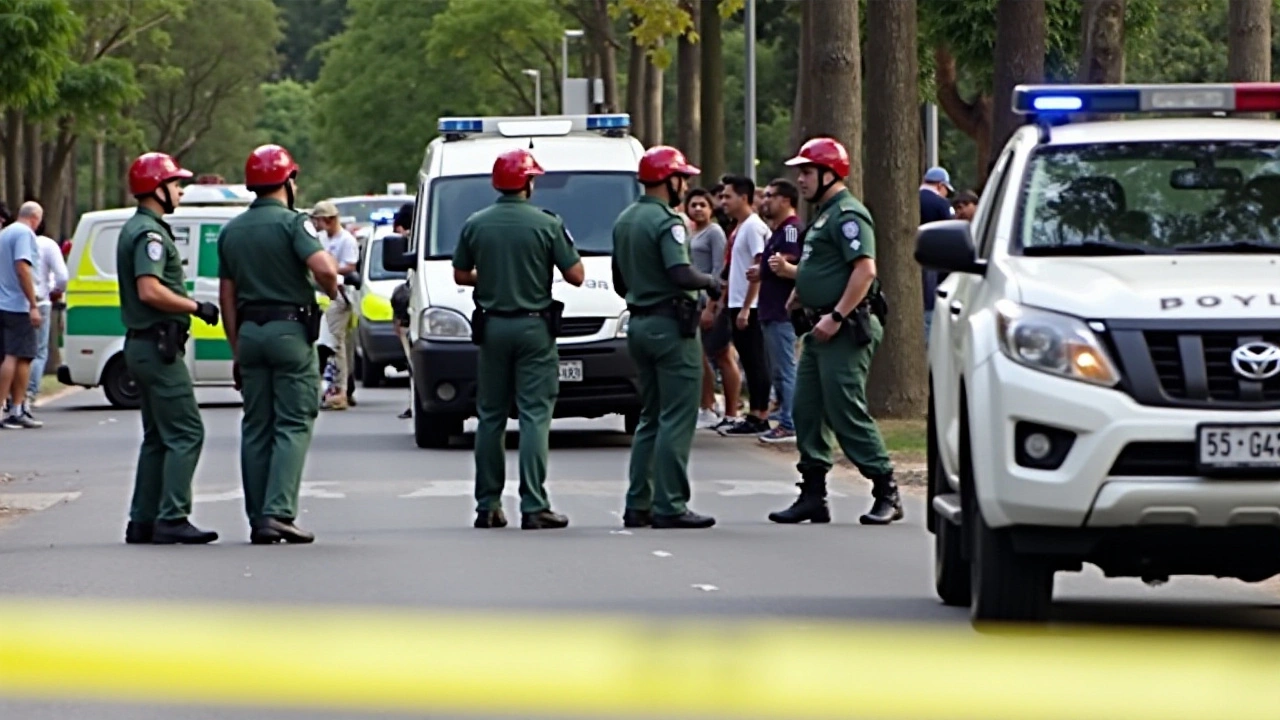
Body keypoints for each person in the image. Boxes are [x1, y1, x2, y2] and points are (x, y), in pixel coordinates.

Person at [767, 137, 901, 526]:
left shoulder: (848, 215)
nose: (801, 180)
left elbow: (865, 269)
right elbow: (822, 266)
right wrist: (800, 292)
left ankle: (886, 489)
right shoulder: (824, 214)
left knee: (845, 409)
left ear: (830, 173)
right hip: (819, 327)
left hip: (845, 327)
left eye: (807, 172)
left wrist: (837, 316)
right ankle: (813, 495)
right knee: (807, 409)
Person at [453, 148, 585, 530]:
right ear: (527, 183)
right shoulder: (546, 223)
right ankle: (534, 504)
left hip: (492, 327)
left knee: (490, 416)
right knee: (533, 415)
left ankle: (488, 505)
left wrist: (491, 276)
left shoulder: (476, 223)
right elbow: (576, 275)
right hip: (533, 328)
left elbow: (461, 274)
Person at [218, 144, 340, 545]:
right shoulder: (294, 224)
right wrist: (332, 285)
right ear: (288, 181)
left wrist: (237, 349)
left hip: (250, 334)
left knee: (256, 425)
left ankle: (258, 517)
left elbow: (227, 297)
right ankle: (279, 512)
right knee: (292, 421)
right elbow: (323, 267)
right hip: (289, 331)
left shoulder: (231, 231)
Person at [611, 146, 721, 530]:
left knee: (650, 417)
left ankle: (638, 501)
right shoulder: (668, 223)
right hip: (671, 328)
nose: (686, 185)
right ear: (668, 180)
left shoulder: (625, 219)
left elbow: (618, 281)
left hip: (639, 324)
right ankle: (670, 503)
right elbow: (680, 273)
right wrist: (710, 282)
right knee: (677, 416)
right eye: (683, 178)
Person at [117, 153, 221, 544]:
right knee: (186, 431)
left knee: (158, 436)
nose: (180, 190)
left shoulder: (139, 228)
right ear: (157, 190)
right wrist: (196, 306)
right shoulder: (150, 235)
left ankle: (142, 519)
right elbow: (150, 289)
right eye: (175, 184)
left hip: (142, 346)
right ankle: (173, 516)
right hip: (157, 347)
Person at [715, 176, 773, 437]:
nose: (722, 201)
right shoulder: (740, 227)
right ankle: (754, 412)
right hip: (737, 301)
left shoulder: (753, 228)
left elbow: (759, 265)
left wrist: (748, 306)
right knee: (748, 360)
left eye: (728, 196)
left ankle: (760, 414)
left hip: (750, 305)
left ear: (744, 198)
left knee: (755, 359)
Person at [751, 178, 802, 444]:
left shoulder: (791, 230)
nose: (765, 200)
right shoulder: (778, 230)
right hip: (770, 310)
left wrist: (775, 265)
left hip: (781, 312)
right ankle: (785, 415)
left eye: (770, 196)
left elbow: (789, 260)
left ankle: (789, 422)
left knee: (785, 368)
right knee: (779, 369)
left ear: (785, 200)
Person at [14, 229, 69, 423]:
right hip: (40, 302)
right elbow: (62, 276)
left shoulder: (9, 240)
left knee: (14, 353)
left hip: (13, 304)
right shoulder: (47, 244)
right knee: (37, 352)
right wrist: (55, 292)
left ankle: (13, 395)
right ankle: (27, 394)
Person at [310, 201, 360, 411]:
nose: (317, 224)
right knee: (332, 343)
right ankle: (343, 387)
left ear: (329, 219)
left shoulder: (346, 240)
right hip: (323, 295)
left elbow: (350, 266)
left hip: (340, 295)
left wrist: (329, 269)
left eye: (319, 220)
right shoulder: (321, 238)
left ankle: (339, 391)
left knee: (335, 343)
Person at [0, 202, 46, 430]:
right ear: (35, 218)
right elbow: (23, 267)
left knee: (8, 355)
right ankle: (14, 408)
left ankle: (10, 406)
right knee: (19, 355)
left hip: (2, 302)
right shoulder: (24, 234)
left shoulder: (4, 233)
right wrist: (33, 304)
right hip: (17, 304)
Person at [919, 167, 955, 347]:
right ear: (941, 185)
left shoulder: (912, 198)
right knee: (929, 309)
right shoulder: (941, 204)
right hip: (930, 264)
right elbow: (951, 235)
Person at [390, 201, 415, 420]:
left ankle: (414, 402)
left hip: (412, 312)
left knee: (412, 361)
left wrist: (398, 319)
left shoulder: (412, 243)